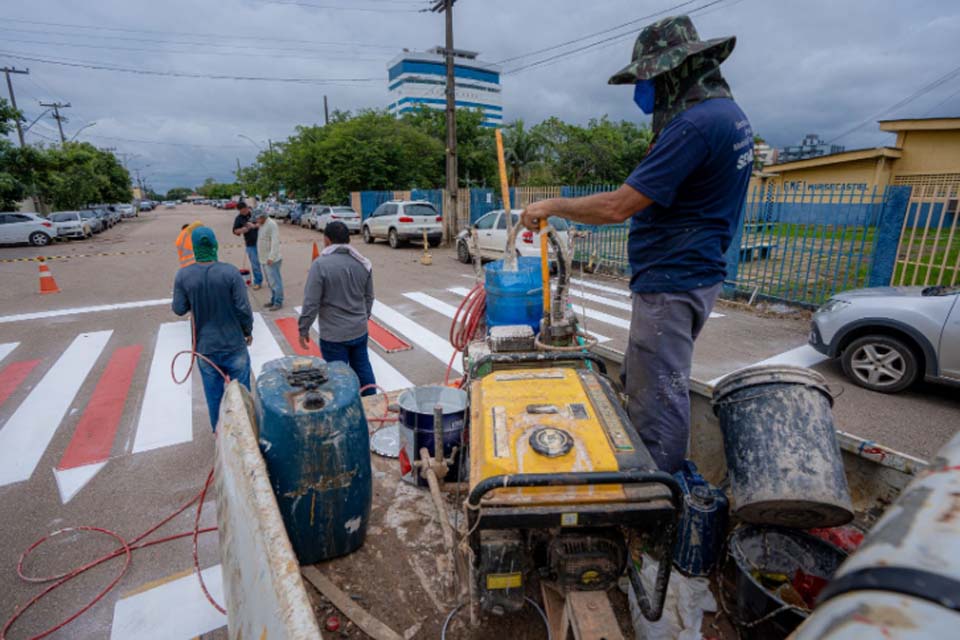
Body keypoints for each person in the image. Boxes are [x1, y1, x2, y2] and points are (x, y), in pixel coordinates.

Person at [520, 15, 753, 474]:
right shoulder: (730, 116)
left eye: (648, 79)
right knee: (647, 379)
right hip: (695, 275)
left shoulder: (694, 126)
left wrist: (551, 204)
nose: (642, 91)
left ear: (674, 72)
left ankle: (656, 496)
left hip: (672, 281)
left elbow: (618, 206)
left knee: (658, 402)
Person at [172, 226, 254, 430]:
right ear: (215, 245)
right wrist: (247, 331)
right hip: (235, 345)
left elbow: (179, 309)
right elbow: (243, 308)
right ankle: (246, 434)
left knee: (214, 398)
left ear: (195, 248)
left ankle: (220, 438)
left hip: (206, 349)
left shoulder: (183, 276)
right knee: (242, 396)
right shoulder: (231, 272)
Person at [298, 221, 376, 396]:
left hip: (333, 336)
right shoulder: (363, 263)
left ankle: (344, 410)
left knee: (337, 379)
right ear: (348, 239)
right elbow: (369, 297)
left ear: (326, 240)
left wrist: (303, 329)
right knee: (363, 370)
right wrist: (363, 317)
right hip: (359, 330)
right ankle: (373, 404)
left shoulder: (320, 265)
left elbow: (311, 302)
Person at [255, 210, 284, 310]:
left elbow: (275, 242)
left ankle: (278, 302)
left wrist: (271, 257)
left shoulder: (272, 224)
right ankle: (273, 300)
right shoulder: (262, 224)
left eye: (257, 218)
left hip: (271, 259)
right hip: (264, 259)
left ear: (263, 216)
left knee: (275, 282)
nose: (256, 220)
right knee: (270, 282)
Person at [232, 202, 263, 290]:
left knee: (266, 263)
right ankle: (258, 282)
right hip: (250, 244)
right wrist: (242, 230)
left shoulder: (255, 213)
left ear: (247, 207)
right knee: (255, 264)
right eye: (242, 211)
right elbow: (235, 231)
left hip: (262, 242)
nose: (244, 212)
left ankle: (270, 281)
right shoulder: (238, 218)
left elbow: (263, 223)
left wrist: (254, 226)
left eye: (245, 210)